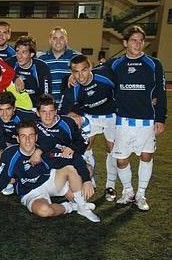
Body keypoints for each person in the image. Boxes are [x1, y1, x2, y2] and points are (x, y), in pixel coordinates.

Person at [0, 121, 100, 223]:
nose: (28, 140)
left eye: (31, 136)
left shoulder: (44, 150)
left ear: (36, 137)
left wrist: (87, 180)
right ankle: (72, 207)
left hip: (50, 181)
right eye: (23, 136)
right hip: (30, 191)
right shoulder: (10, 155)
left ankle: (82, 207)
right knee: (44, 211)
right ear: (18, 138)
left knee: (71, 168)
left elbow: (75, 158)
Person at [103, 25, 167, 210]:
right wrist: (74, 77)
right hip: (122, 120)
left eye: (141, 40)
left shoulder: (154, 64)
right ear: (125, 43)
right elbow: (95, 75)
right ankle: (128, 192)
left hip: (147, 120)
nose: (138, 44)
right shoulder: (115, 64)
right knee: (121, 159)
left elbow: (161, 93)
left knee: (146, 156)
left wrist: (161, 118)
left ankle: (141, 194)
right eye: (133, 40)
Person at [59, 54, 118, 200]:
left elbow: (116, 67)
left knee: (113, 149)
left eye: (84, 70)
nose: (80, 75)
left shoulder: (105, 75)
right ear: (71, 73)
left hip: (111, 115)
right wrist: (72, 114)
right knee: (85, 146)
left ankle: (110, 185)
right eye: (76, 72)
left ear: (91, 68)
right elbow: (62, 111)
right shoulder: (72, 87)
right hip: (90, 117)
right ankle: (89, 179)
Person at [32, 94, 95, 200]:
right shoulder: (32, 125)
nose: (48, 116)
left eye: (51, 111)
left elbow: (83, 142)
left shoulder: (67, 123)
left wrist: (73, 148)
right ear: (37, 113)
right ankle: (63, 188)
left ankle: (71, 187)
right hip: (46, 166)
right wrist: (38, 151)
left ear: (56, 111)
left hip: (66, 161)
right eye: (44, 112)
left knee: (88, 170)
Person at [6, 35, 52, 110]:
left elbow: (46, 95)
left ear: (32, 54)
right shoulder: (10, 63)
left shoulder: (42, 67)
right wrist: (15, 78)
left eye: (24, 52)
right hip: (13, 109)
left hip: (34, 109)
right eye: (17, 52)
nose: (19, 56)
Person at [38, 27, 80, 104]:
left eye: (61, 38)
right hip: (48, 105)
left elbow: (86, 75)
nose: (58, 41)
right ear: (50, 41)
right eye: (55, 38)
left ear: (66, 40)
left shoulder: (76, 57)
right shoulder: (41, 59)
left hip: (70, 104)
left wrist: (74, 75)